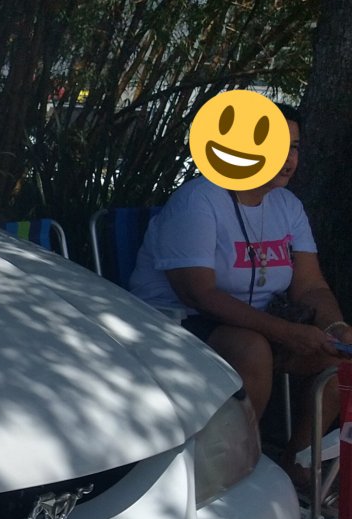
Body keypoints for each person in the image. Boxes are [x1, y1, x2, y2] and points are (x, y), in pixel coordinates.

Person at [128, 103, 347, 492]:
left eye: (294, 146)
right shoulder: (199, 200)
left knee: (336, 356)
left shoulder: (288, 206)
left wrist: (336, 327)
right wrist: (284, 332)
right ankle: (235, 471)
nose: (288, 158)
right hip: (171, 321)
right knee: (252, 348)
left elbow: (311, 286)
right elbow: (199, 293)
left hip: (257, 323)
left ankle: (296, 463)